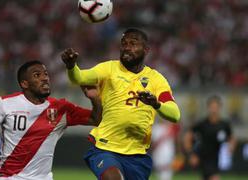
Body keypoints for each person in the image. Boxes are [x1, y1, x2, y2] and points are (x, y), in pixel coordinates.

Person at [61, 28, 181, 180]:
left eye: (133, 44)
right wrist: (71, 66)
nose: (127, 47)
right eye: (124, 43)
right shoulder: (108, 68)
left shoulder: (157, 79)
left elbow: (175, 114)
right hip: (106, 148)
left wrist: (156, 104)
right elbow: (78, 78)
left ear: (146, 50)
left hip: (137, 155)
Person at [0, 60, 102, 180]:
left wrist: (95, 98)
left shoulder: (61, 108)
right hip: (9, 176)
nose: (45, 78)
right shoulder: (6, 103)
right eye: (37, 75)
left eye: (45, 74)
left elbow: (96, 119)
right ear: (24, 83)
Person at [184, 95, 236, 180]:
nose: (214, 110)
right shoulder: (202, 124)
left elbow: (232, 137)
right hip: (204, 158)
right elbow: (187, 137)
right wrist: (191, 154)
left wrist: (231, 146)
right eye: (212, 107)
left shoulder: (224, 125)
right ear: (208, 108)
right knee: (214, 178)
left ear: (220, 108)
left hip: (216, 158)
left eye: (216, 107)